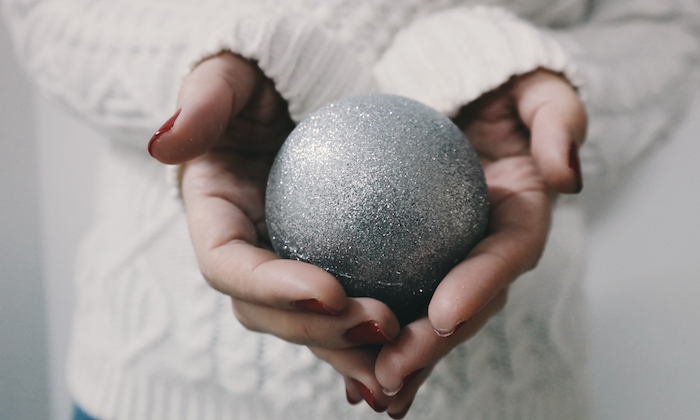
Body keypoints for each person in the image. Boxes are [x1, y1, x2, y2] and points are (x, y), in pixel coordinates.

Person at [3, 0, 699, 419]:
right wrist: (226, 59)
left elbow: (665, 24)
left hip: (514, 388)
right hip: (156, 386)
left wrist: (503, 68)